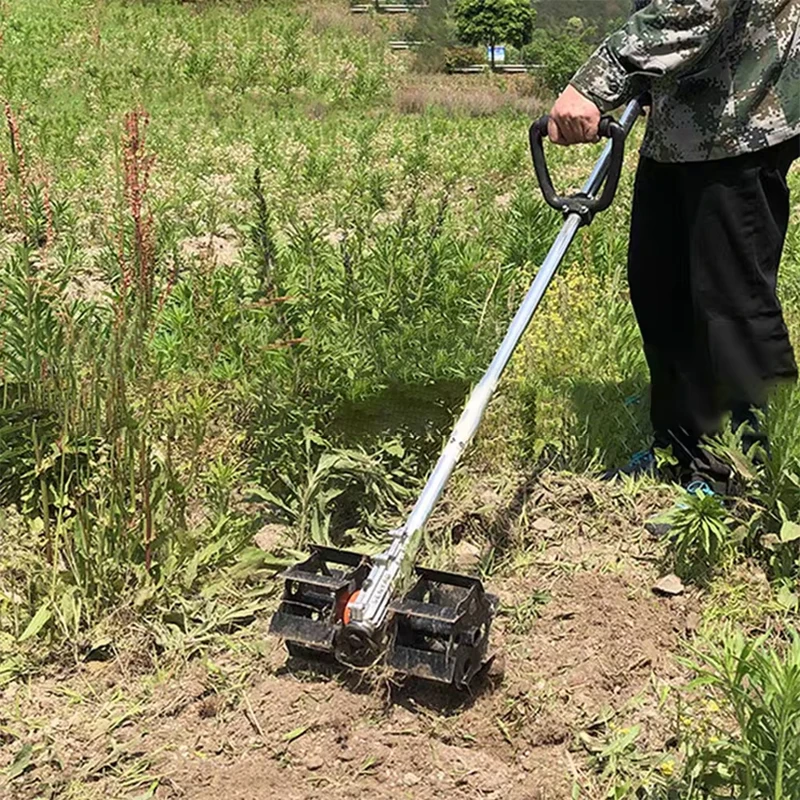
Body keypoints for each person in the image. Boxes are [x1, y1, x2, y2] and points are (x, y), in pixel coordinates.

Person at [548, 0, 800, 496]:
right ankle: (680, 449)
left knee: (732, 304)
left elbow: (696, 6)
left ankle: (750, 472)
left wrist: (599, 80)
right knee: (661, 288)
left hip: (741, 114)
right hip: (680, 119)